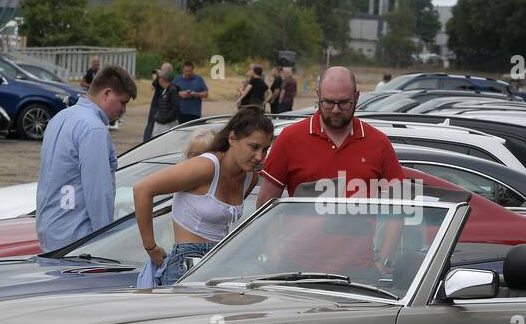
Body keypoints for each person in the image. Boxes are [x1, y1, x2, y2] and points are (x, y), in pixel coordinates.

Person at [258, 65, 406, 278]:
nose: (336, 110)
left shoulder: (378, 143)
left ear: (357, 97)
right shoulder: (290, 139)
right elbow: (265, 203)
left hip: (359, 272)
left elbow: (398, 207)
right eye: (328, 102)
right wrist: (274, 255)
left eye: (344, 103)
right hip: (295, 268)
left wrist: (383, 261)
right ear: (317, 96)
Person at [133, 107, 274, 286]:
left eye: (265, 149)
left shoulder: (250, 176)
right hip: (186, 264)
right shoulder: (207, 166)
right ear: (232, 138)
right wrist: (151, 247)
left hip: (220, 262)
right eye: (253, 147)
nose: (259, 157)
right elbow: (142, 189)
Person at [35, 65, 138, 252]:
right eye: (122, 102)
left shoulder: (60, 117)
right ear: (107, 93)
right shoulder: (94, 129)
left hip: (50, 230)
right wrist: (105, 241)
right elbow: (98, 192)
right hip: (78, 239)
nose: (123, 109)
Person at [149, 64, 180, 137]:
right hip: (161, 122)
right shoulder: (166, 90)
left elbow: (175, 108)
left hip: (167, 124)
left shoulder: (172, 90)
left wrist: (165, 119)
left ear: (162, 79)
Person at [142, 64, 168, 142]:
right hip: (160, 104)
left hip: (158, 104)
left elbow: (152, 87)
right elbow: (152, 88)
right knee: (152, 124)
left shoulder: (161, 79)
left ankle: (146, 141)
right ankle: (150, 140)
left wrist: (157, 78)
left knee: (151, 123)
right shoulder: (167, 79)